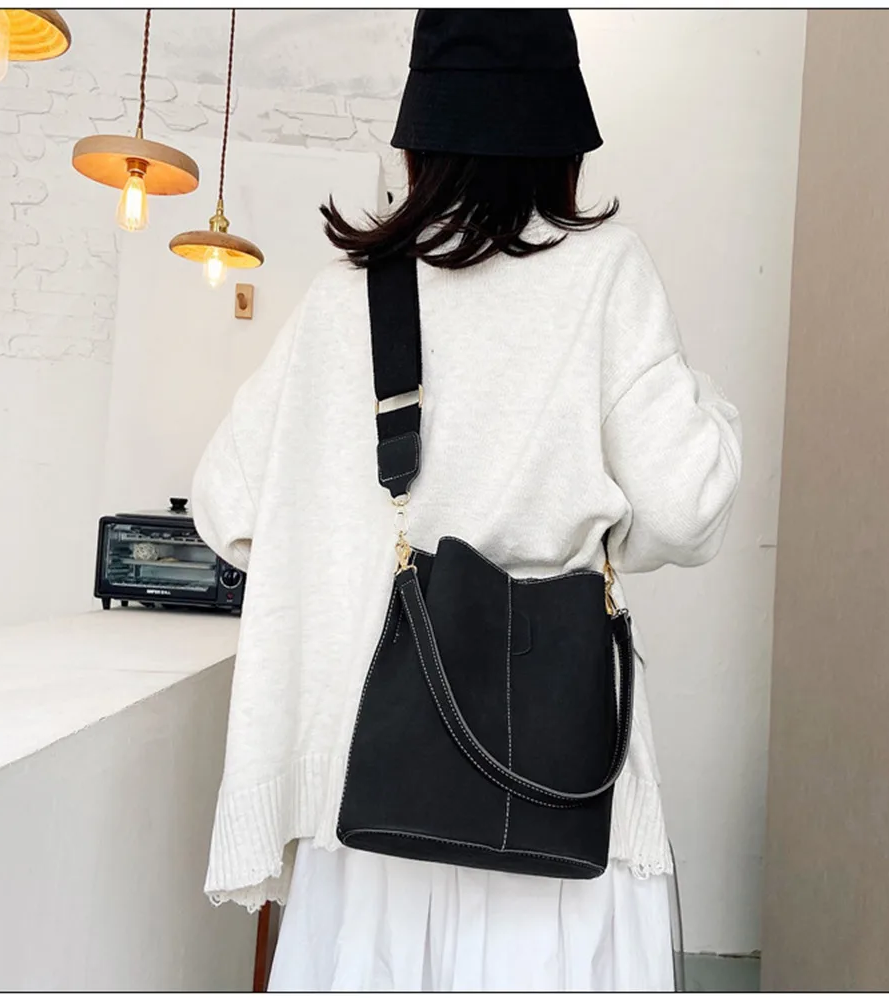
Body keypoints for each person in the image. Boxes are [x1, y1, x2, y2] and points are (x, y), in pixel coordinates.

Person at [191, 9, 743, 992]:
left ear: (419, 139)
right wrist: (704, 413)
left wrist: (353, 549)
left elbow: (228, 504)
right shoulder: (604, 274)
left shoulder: (346, 297)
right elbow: (686, 503)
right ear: (563, 144)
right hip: (554, 789)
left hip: (377, 796)